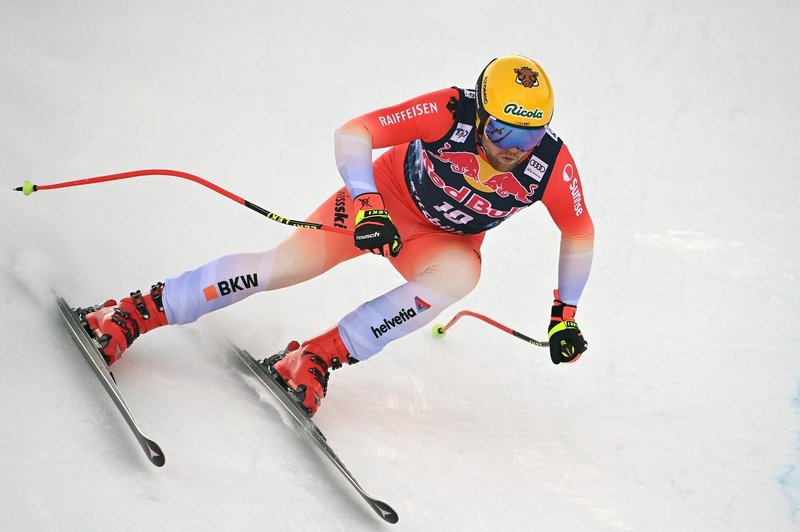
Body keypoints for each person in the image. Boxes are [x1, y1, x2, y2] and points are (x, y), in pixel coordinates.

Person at [83, 55, 595, 416]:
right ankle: (133, 312)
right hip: (385, 200)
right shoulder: (449, 111)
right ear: (481, 111)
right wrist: (367, 199)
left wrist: (563, 317)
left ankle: (314, 357)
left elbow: (578, 232)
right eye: (503, 130)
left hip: (442, 241)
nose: (513, 149)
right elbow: (356, 131)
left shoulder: (549, 165)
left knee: (461, 276)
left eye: (529, 134)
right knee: (283, 267)